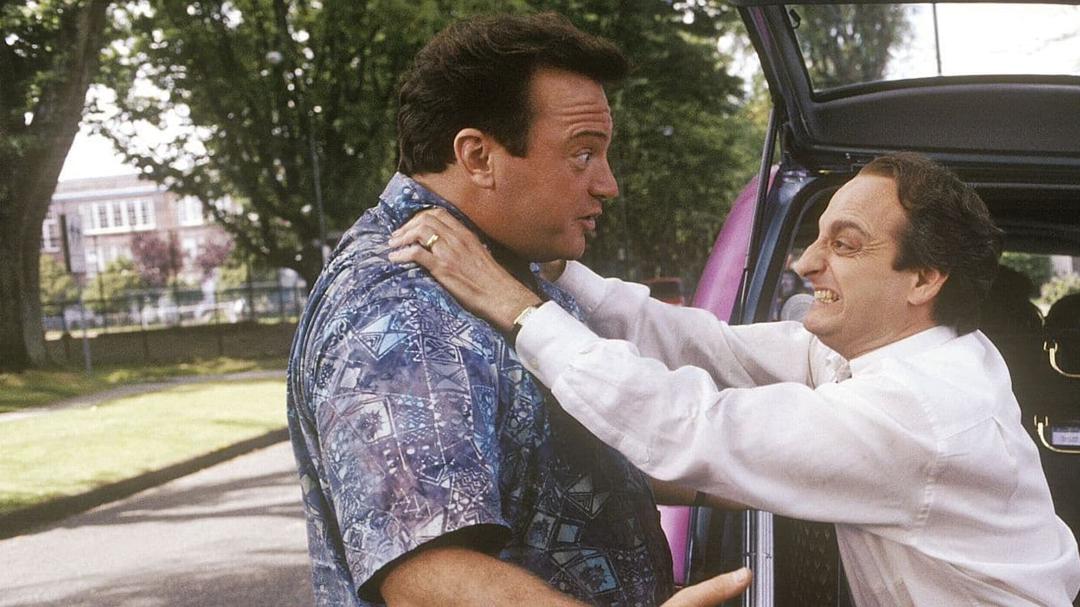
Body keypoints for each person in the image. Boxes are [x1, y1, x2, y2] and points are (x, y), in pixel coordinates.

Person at [390, 152, 1080, 606]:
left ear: (924, 279)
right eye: (816, 235)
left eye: (843, 244)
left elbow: (691, 427)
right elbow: (713, 348)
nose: (805, 262)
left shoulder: (921, 410)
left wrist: (519, 310)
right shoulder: (924, 349)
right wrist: (560, 273)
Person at [286, 12, 750, 607]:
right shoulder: (404, 302)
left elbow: (563, 469)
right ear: (478, 157)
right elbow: (428, 574)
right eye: (582, 155)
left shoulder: (491, 268)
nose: (607, 184)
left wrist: (775, 481)